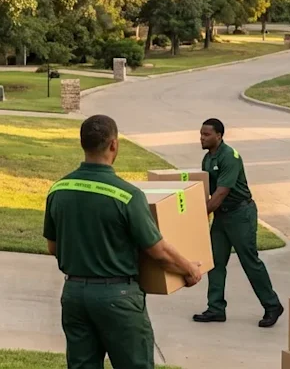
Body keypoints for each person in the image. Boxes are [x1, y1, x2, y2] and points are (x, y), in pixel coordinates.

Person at [45, 115, 202, 369]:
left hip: (74, 295)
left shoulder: (58, 190)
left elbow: (53, 247)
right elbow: (159, 251)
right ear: (114, 145)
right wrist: (190, 269)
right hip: (117, 296)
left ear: (83, 144)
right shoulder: (127, 195)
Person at [191, 118, 284, 328]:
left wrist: (197, 215)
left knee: (249, 261)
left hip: (240, 214)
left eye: (206, 134)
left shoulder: (229, 158)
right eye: (201, 134)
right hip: (222, 216)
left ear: (219, 136)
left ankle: (272, 305)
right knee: (214, 262)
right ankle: (216, 308)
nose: (202, 138)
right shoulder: (208, 159)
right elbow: (208, 191)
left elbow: (222, 192)